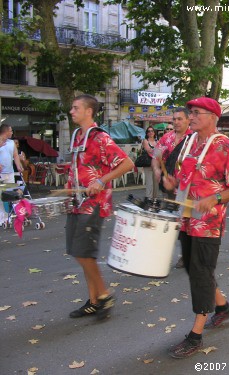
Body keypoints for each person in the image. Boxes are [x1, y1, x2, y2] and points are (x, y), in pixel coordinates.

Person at [160, 97, 229, 359]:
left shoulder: (224, 146)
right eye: (190, 112)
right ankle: (222, 307)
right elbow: (186, 177)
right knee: (191, 266)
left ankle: (196, 335)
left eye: (197, 112)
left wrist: (216, 198)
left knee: (200, 271)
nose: (192, 116)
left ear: (213, 116)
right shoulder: (189, 141)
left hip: (208, 223)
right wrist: (171, 183)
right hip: (187, 217)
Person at [66, 94, 134, 320]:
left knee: (83, 252)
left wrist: (101, 181)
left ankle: (104, 295)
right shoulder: (77, 136)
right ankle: (94, 300)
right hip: (76, 203)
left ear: (89, 111)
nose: (71, 111)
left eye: (76, 108)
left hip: (93, 204)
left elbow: (127, 164)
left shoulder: (100, 138)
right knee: (79, 253)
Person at [151, 107, 193, 269]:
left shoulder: (194, 139)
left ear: (188, 120)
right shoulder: (166, 138)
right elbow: (156, 157)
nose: (176, 122)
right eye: (174, 119)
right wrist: (156, 170)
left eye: (179, 119)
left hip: (187, 189)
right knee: (172, 221)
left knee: (186, 222)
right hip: (168, 188)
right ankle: (173, 251)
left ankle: (185, 254)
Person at [0, 124, 25, 224]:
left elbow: (15, 155)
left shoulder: (11, 143)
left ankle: (9, 217)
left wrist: (18, 165)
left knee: (10, 195)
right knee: (1, 196)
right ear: (5, 131)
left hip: (9, 172)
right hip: (1, 173)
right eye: (10, 131)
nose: (12, 132)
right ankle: (2, 217)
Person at [142, 126, 158, 202]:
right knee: (149, 183)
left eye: (152, 131)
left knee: (156, 184)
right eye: (149, 131)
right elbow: (149, 150)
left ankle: (154, 200)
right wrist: (157, 151)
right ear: (147, 133)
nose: (150, 132)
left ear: (154, 132)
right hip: (148, 164)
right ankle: (148, 200)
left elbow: (156, 151)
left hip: (156, 165)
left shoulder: (157, 141)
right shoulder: (145, 141)